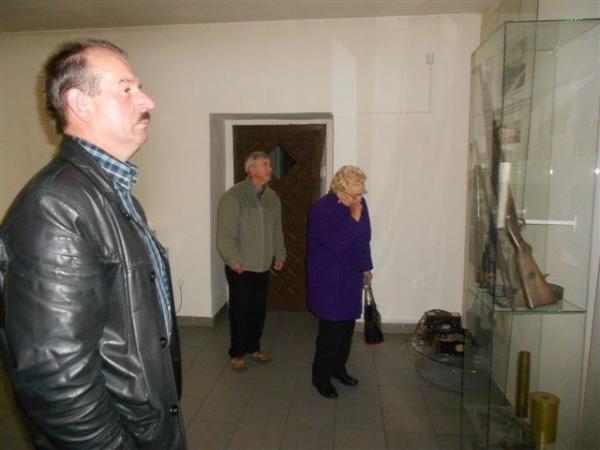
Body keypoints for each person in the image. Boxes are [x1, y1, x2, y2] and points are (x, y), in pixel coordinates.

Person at [0, 40, 186, 449]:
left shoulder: (108, 193)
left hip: (145, 422)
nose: (147, 101)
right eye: (126, 89)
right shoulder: (55, 205)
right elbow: (55, 378)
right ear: (80, 104)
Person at [307, 165, 373, 399]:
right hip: (329, 280)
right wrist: (353, 219)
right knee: (331, 333)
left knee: (346, 329)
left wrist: (366, 265)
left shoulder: (358, 204)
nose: (359, 199)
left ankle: (338, 368)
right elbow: (336, 243)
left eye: (361, 193)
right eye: (355, 195)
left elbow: (364, 237)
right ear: (341, 190)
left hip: (350, 277)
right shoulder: (321, 209)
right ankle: (321, 378)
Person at [216, 151, 286, 371]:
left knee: (258, 309)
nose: (270, 168)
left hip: (263, 265)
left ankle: (254, 347)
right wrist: (233, 259)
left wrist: (280, 254)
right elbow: (225, 235)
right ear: (251, 168)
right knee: (240, 310)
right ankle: (237, 352)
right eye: (265, 164)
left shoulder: (273, 198)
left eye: (269, 165)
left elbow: (277, 230)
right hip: (241, 266)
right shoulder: (233, 196)